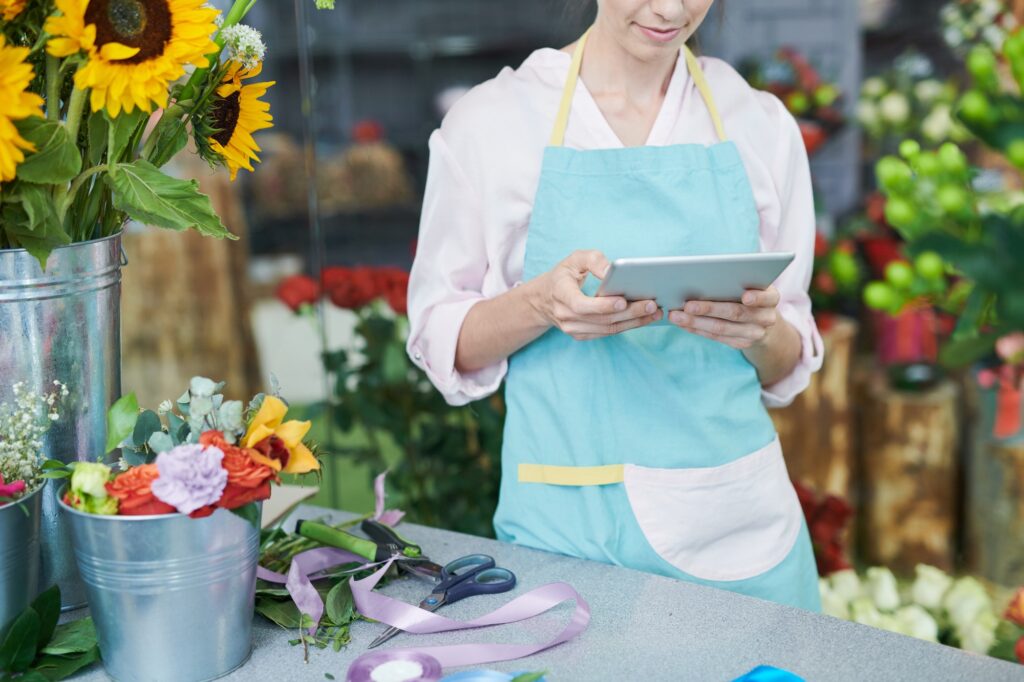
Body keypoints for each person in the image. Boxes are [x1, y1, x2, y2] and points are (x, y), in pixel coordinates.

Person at [406, 0, 824, 611]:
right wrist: (541, 304)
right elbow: (442, 339)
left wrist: (760, 330)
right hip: (570, 535)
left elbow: (788, 363)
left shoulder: (759, 125)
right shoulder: (494, 123)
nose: (669, 9)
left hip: (740, 533)